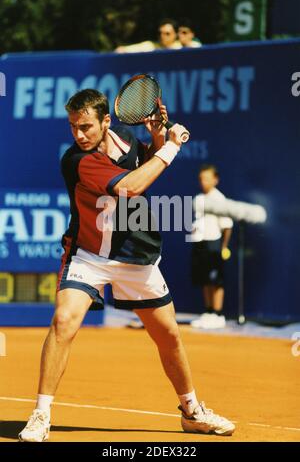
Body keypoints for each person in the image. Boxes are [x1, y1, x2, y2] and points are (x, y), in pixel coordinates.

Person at [19, 90, 235, 442]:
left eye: (86, 126)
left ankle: (192, 410)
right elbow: (132, 186)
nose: (78, 134)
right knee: (63, 322)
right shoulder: (76, 161)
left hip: (135, 255)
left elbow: (143, 163)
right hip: (88, 255)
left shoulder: (128, 141)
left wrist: (156, 138)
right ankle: (41, 415)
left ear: (106, 122)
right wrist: (173, 145)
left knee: (168, 336)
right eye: (72, 126)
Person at [190, 164, 233, 330]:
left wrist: (224, 247)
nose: (203, 181)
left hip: (215, 243)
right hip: (200, 243)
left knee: (216, 281)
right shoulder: (198, 199)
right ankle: (208, 313)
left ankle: (218, 314)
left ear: (215, 180)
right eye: (201, 178)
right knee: (204, 280)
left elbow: (227, 225)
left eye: (207, 178)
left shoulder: (220, 200)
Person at [115, 18, 182, 53]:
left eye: (167, 34)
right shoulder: (150, 46)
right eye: (160, 33)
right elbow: (124, 50)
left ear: (175, 34)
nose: (162, 36)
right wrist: (123, 50)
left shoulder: (183, 47)